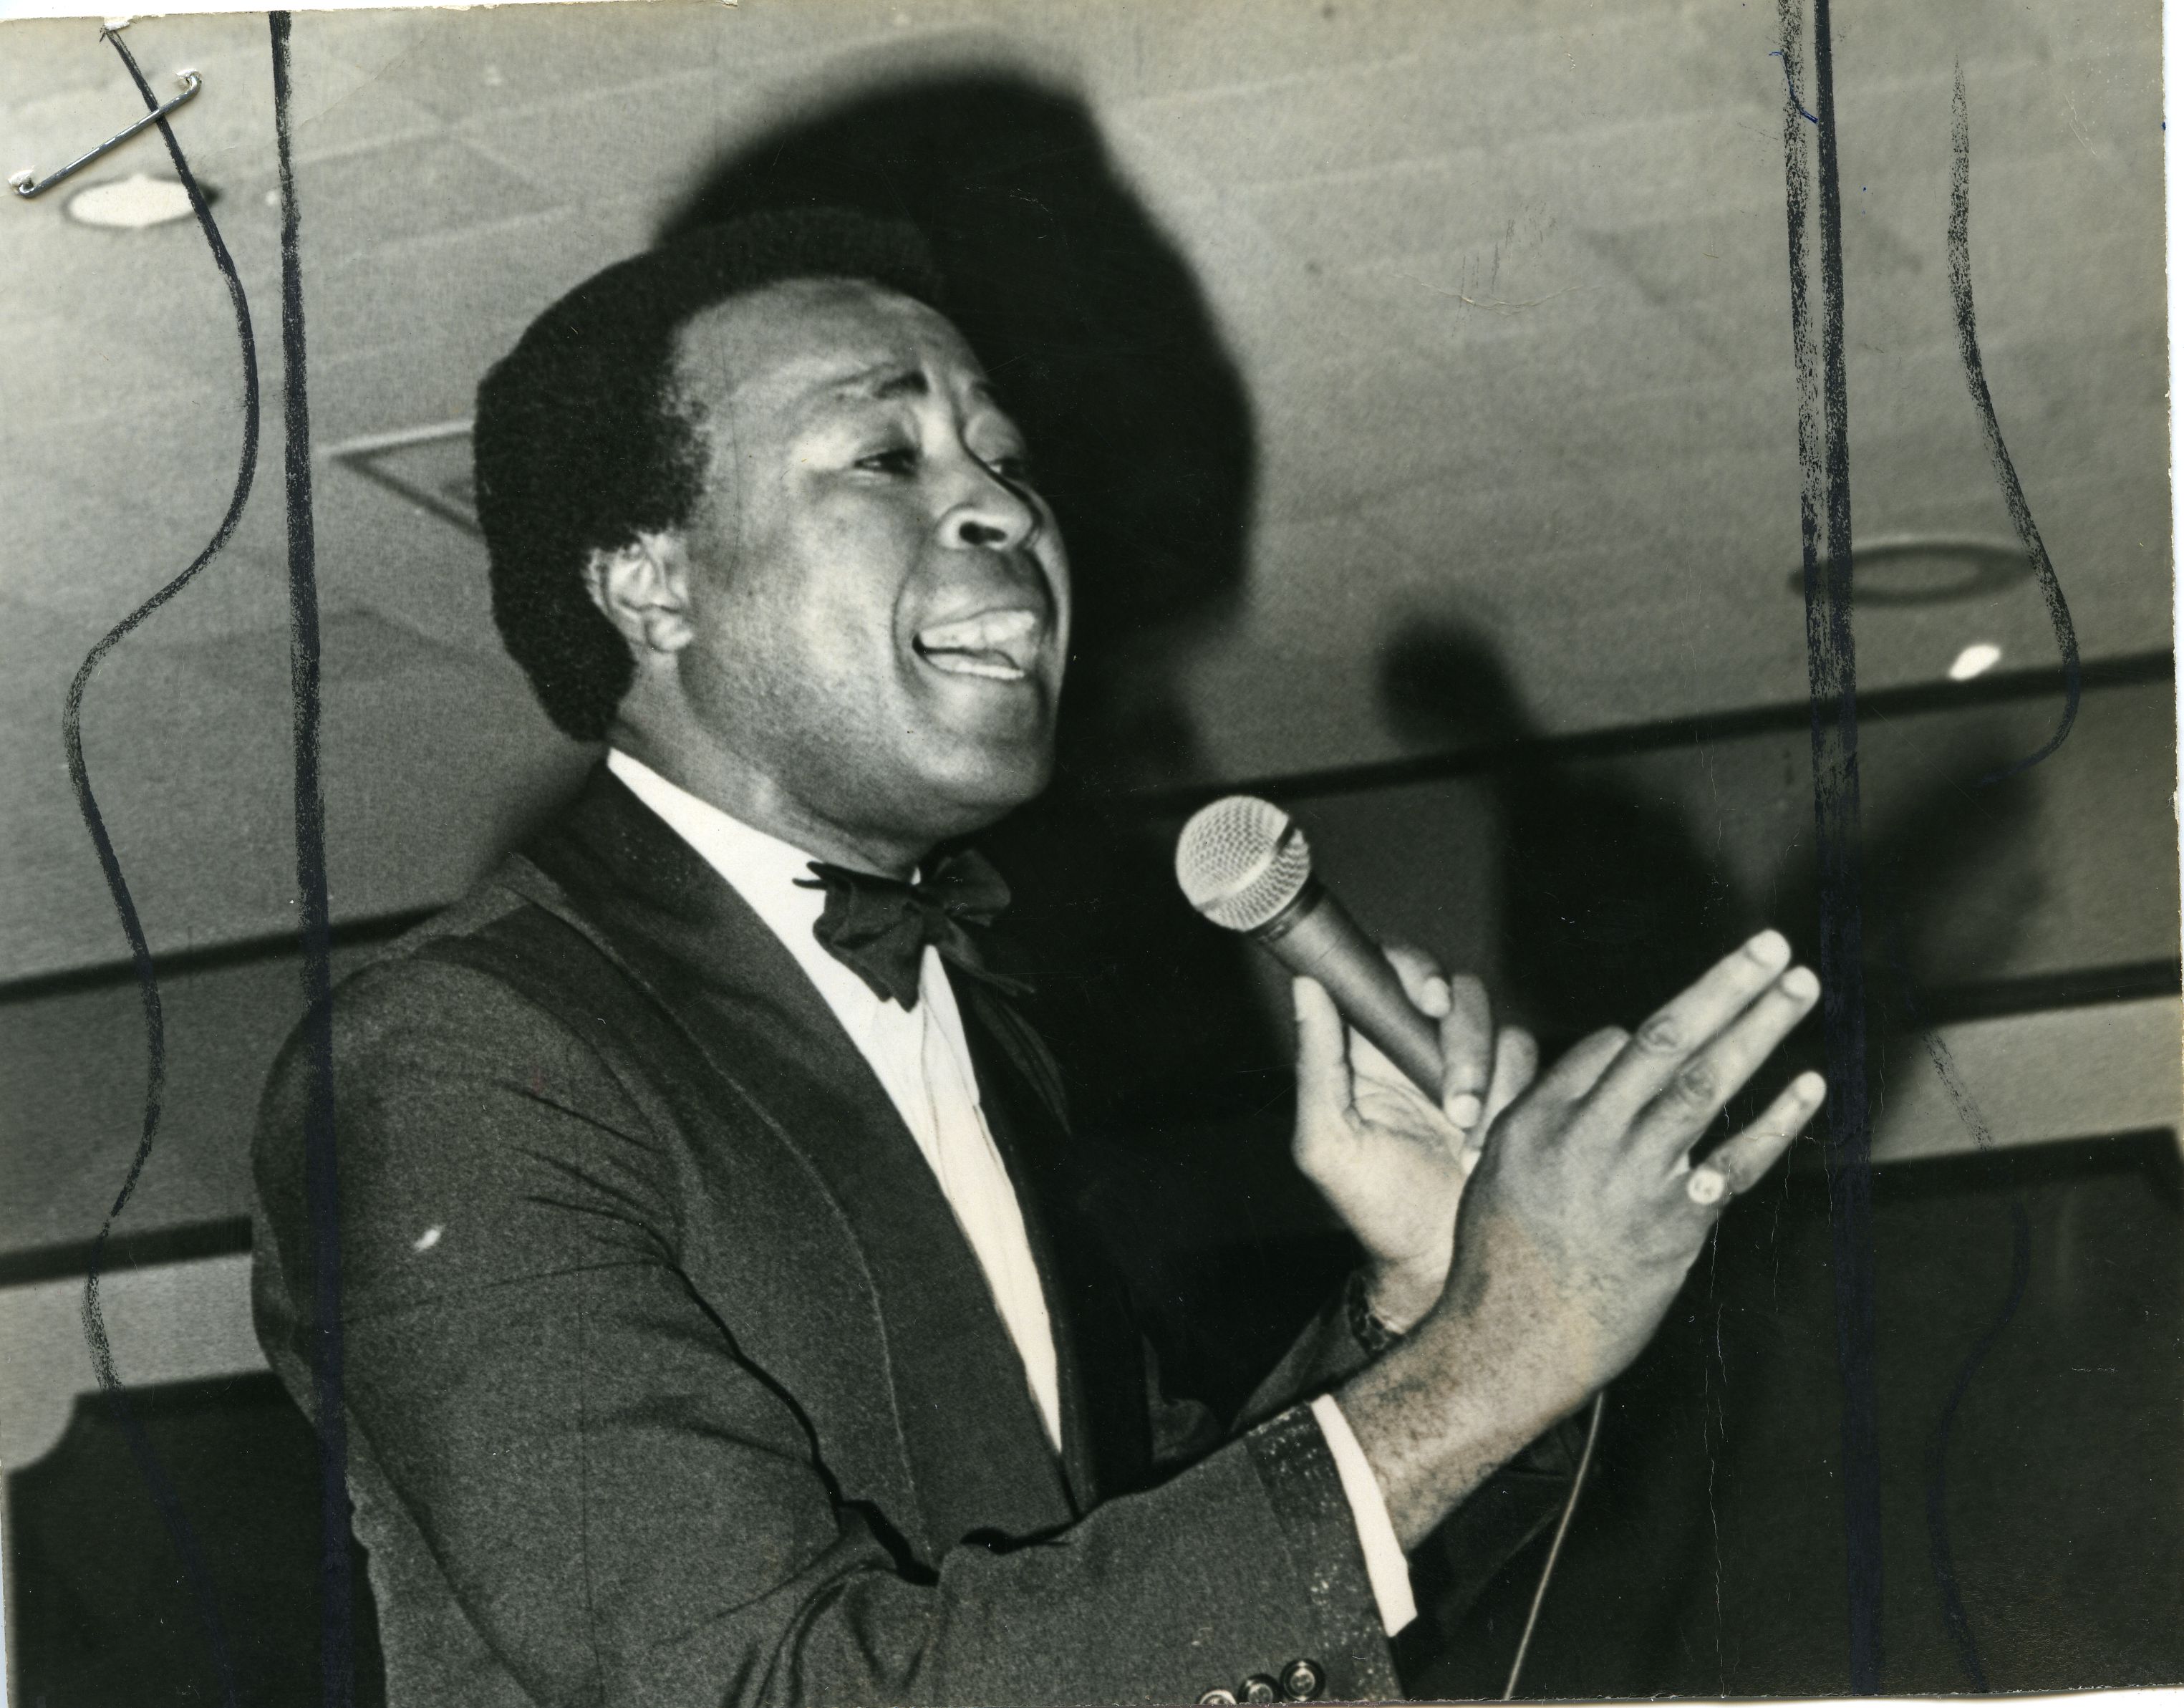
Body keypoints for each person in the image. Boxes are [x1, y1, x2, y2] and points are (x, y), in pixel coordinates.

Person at [251, 209, 1826, 1707]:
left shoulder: (976, 1017)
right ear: (651, 580)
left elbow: (1112, 1598)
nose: (1006, 507)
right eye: (886, 455)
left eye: (1003, 456)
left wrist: (1418, 1305)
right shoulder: (456, 1060)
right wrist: (1487, 1364)